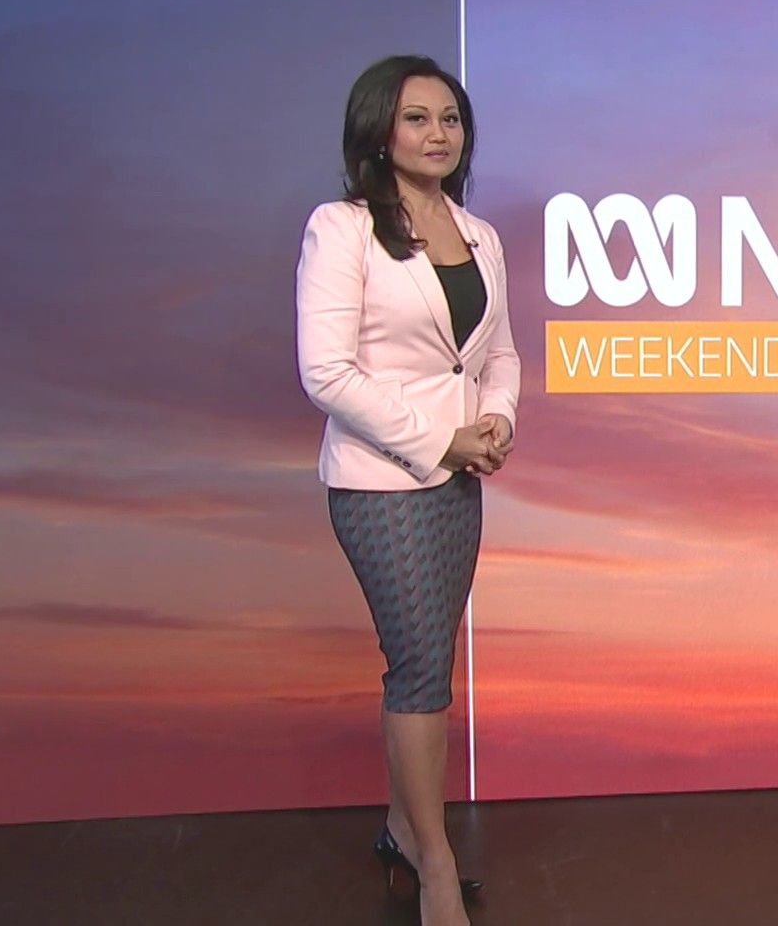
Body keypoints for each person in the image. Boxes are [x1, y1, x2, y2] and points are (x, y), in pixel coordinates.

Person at [296, 54, 520, 926]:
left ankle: (401, 827)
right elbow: (326, 371)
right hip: (381, 482)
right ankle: (434, 864)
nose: (438, 134)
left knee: (431, 661)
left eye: (450, 119)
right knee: (421, 667)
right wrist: (439, 438)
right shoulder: (343, 229)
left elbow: (497, 354)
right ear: (378, 131)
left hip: (460, 479)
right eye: (417, 118)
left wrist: (495, 420)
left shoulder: (480, 235)